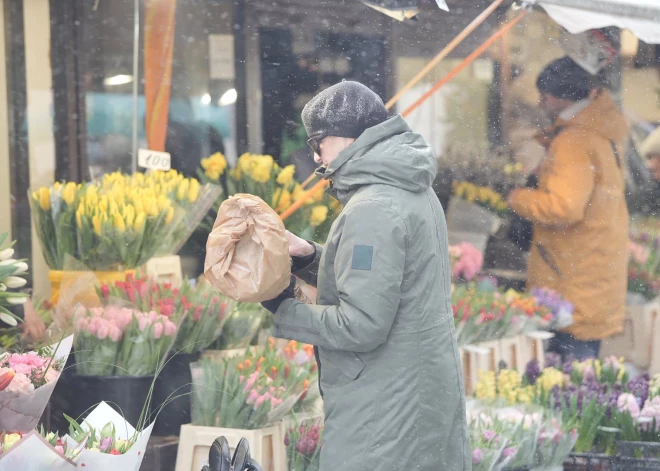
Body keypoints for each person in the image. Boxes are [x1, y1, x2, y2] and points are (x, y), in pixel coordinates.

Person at [259, 81, 470, 470]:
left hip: (383, 405)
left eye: (315, 143)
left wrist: (282, 304)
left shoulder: (373, 206)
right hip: (416, 389)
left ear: (338, 138)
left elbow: (362, 326)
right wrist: (309, 256)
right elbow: (386, 280)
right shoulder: (411, 188)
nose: (317, 156)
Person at [508, 57, 629, 361]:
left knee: (565, 381)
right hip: (590, 271)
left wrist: (518, 197)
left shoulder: (574, 140)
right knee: (580, 380)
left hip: (570, 279)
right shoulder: (599, 132)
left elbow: (563, 207)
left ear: (561, 97)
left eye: (545, 95)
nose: (540, 102)